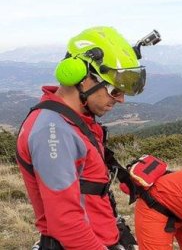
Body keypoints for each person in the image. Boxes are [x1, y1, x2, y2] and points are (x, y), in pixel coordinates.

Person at [16, 26, 156, 249]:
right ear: (82, 78)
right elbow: (66, 224)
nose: (121, 100)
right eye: (114, 90)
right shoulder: (53, 131)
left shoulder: (75, 121)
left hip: (102, 237)